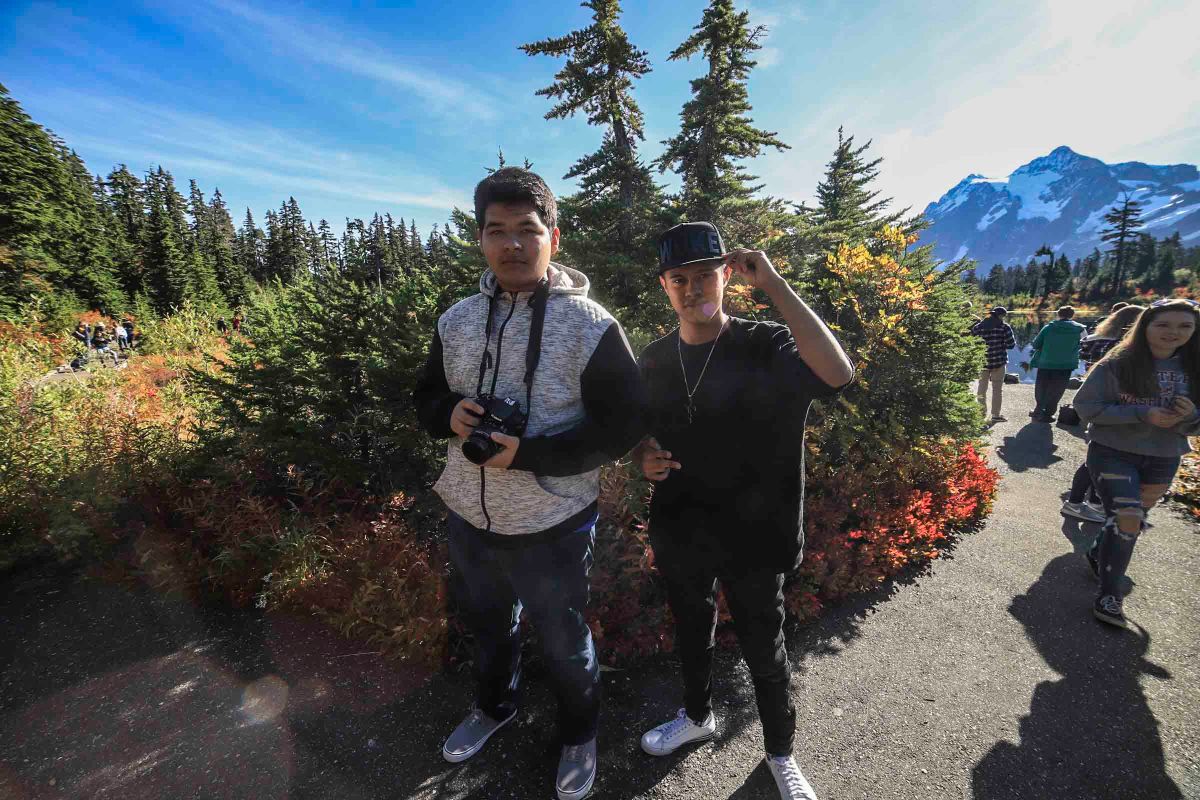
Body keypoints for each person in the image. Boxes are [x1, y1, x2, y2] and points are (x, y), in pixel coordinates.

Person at [413, 167, 644, 800]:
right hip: (469, 514)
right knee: (489, 627)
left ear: (554, 238)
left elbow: (623, 426)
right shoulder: (456, 320)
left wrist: (530, 455)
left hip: (553, 523)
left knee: (565, 640)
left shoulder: (592, 325)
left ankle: (579, 734)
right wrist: (448, 414)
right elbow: (424, 396)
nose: (512, 244)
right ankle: (495, 707)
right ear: (480, 239)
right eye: (497, 230)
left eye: (527, 230)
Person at [635, 223, 853, 800]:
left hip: (756, 533)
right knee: (691, 631)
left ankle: (780, 753)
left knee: (764, 648)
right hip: (682, 527)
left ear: (727, 275)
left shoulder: (768, 345)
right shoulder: (655, 358)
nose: (692, 289)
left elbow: (837, 374)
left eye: (704, 275)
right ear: (664, 286)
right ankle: (696, 716)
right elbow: (639, 429)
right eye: (678, 279)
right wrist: (642, 456)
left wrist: (774, 284)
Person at [1073, 298, 1200, 627]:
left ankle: (1099, 550)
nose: (1173, 332)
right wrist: (1141, 413)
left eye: (1184, 326)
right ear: (1146, 326)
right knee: (1128, 518)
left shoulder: (1195, 369)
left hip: (1164, 457)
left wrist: (1190, 417)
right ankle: (1109, 595)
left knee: (1128, 519)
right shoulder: (1117, 363)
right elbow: (1086, 406)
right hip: (1112, 451)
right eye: (1163, 324)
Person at [1062, 305, 1145, 523]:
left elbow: (1083, 355)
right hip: (1117, 407)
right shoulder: (1126, 348)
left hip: (1094, 398)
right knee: (1102, 456)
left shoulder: (1098, 340)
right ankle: (1090, 502)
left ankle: (1084, 501)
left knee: (1096, 454)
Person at [1029, 306, 1086, 422]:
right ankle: (1048, 414)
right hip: (1066, 364)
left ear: (1058, 315)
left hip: (1046, 362)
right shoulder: (1080, 329)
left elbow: (1036, 344)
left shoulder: (1048, 328)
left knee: (1042, 387)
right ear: (1072, 315)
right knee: (1057, 389)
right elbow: (1085, 344)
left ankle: (1038, 410)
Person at [971, 306, 1016, 422]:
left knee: (981, 389)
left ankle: (980, 415)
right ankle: (995, 415)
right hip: (999, 362)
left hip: (983, 362)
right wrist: (1001, 345)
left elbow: (972, 343)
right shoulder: (1004, 327)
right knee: (997, 389)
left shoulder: (978, 327)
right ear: (1000, 316)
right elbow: (1011, 345)